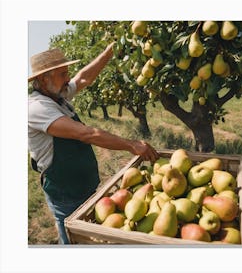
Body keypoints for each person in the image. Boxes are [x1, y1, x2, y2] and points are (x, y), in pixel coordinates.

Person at [28, 43, 159, 244]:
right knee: (73, 240)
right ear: (44, 79)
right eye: (63, 74)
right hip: (66, 192)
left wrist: (109, 52)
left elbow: (83, 78)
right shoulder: (37, 108)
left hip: (84, 186)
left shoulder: (57, 95)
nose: (68, 79)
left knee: (91, 239)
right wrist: (131, 145)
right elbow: (86, 134)